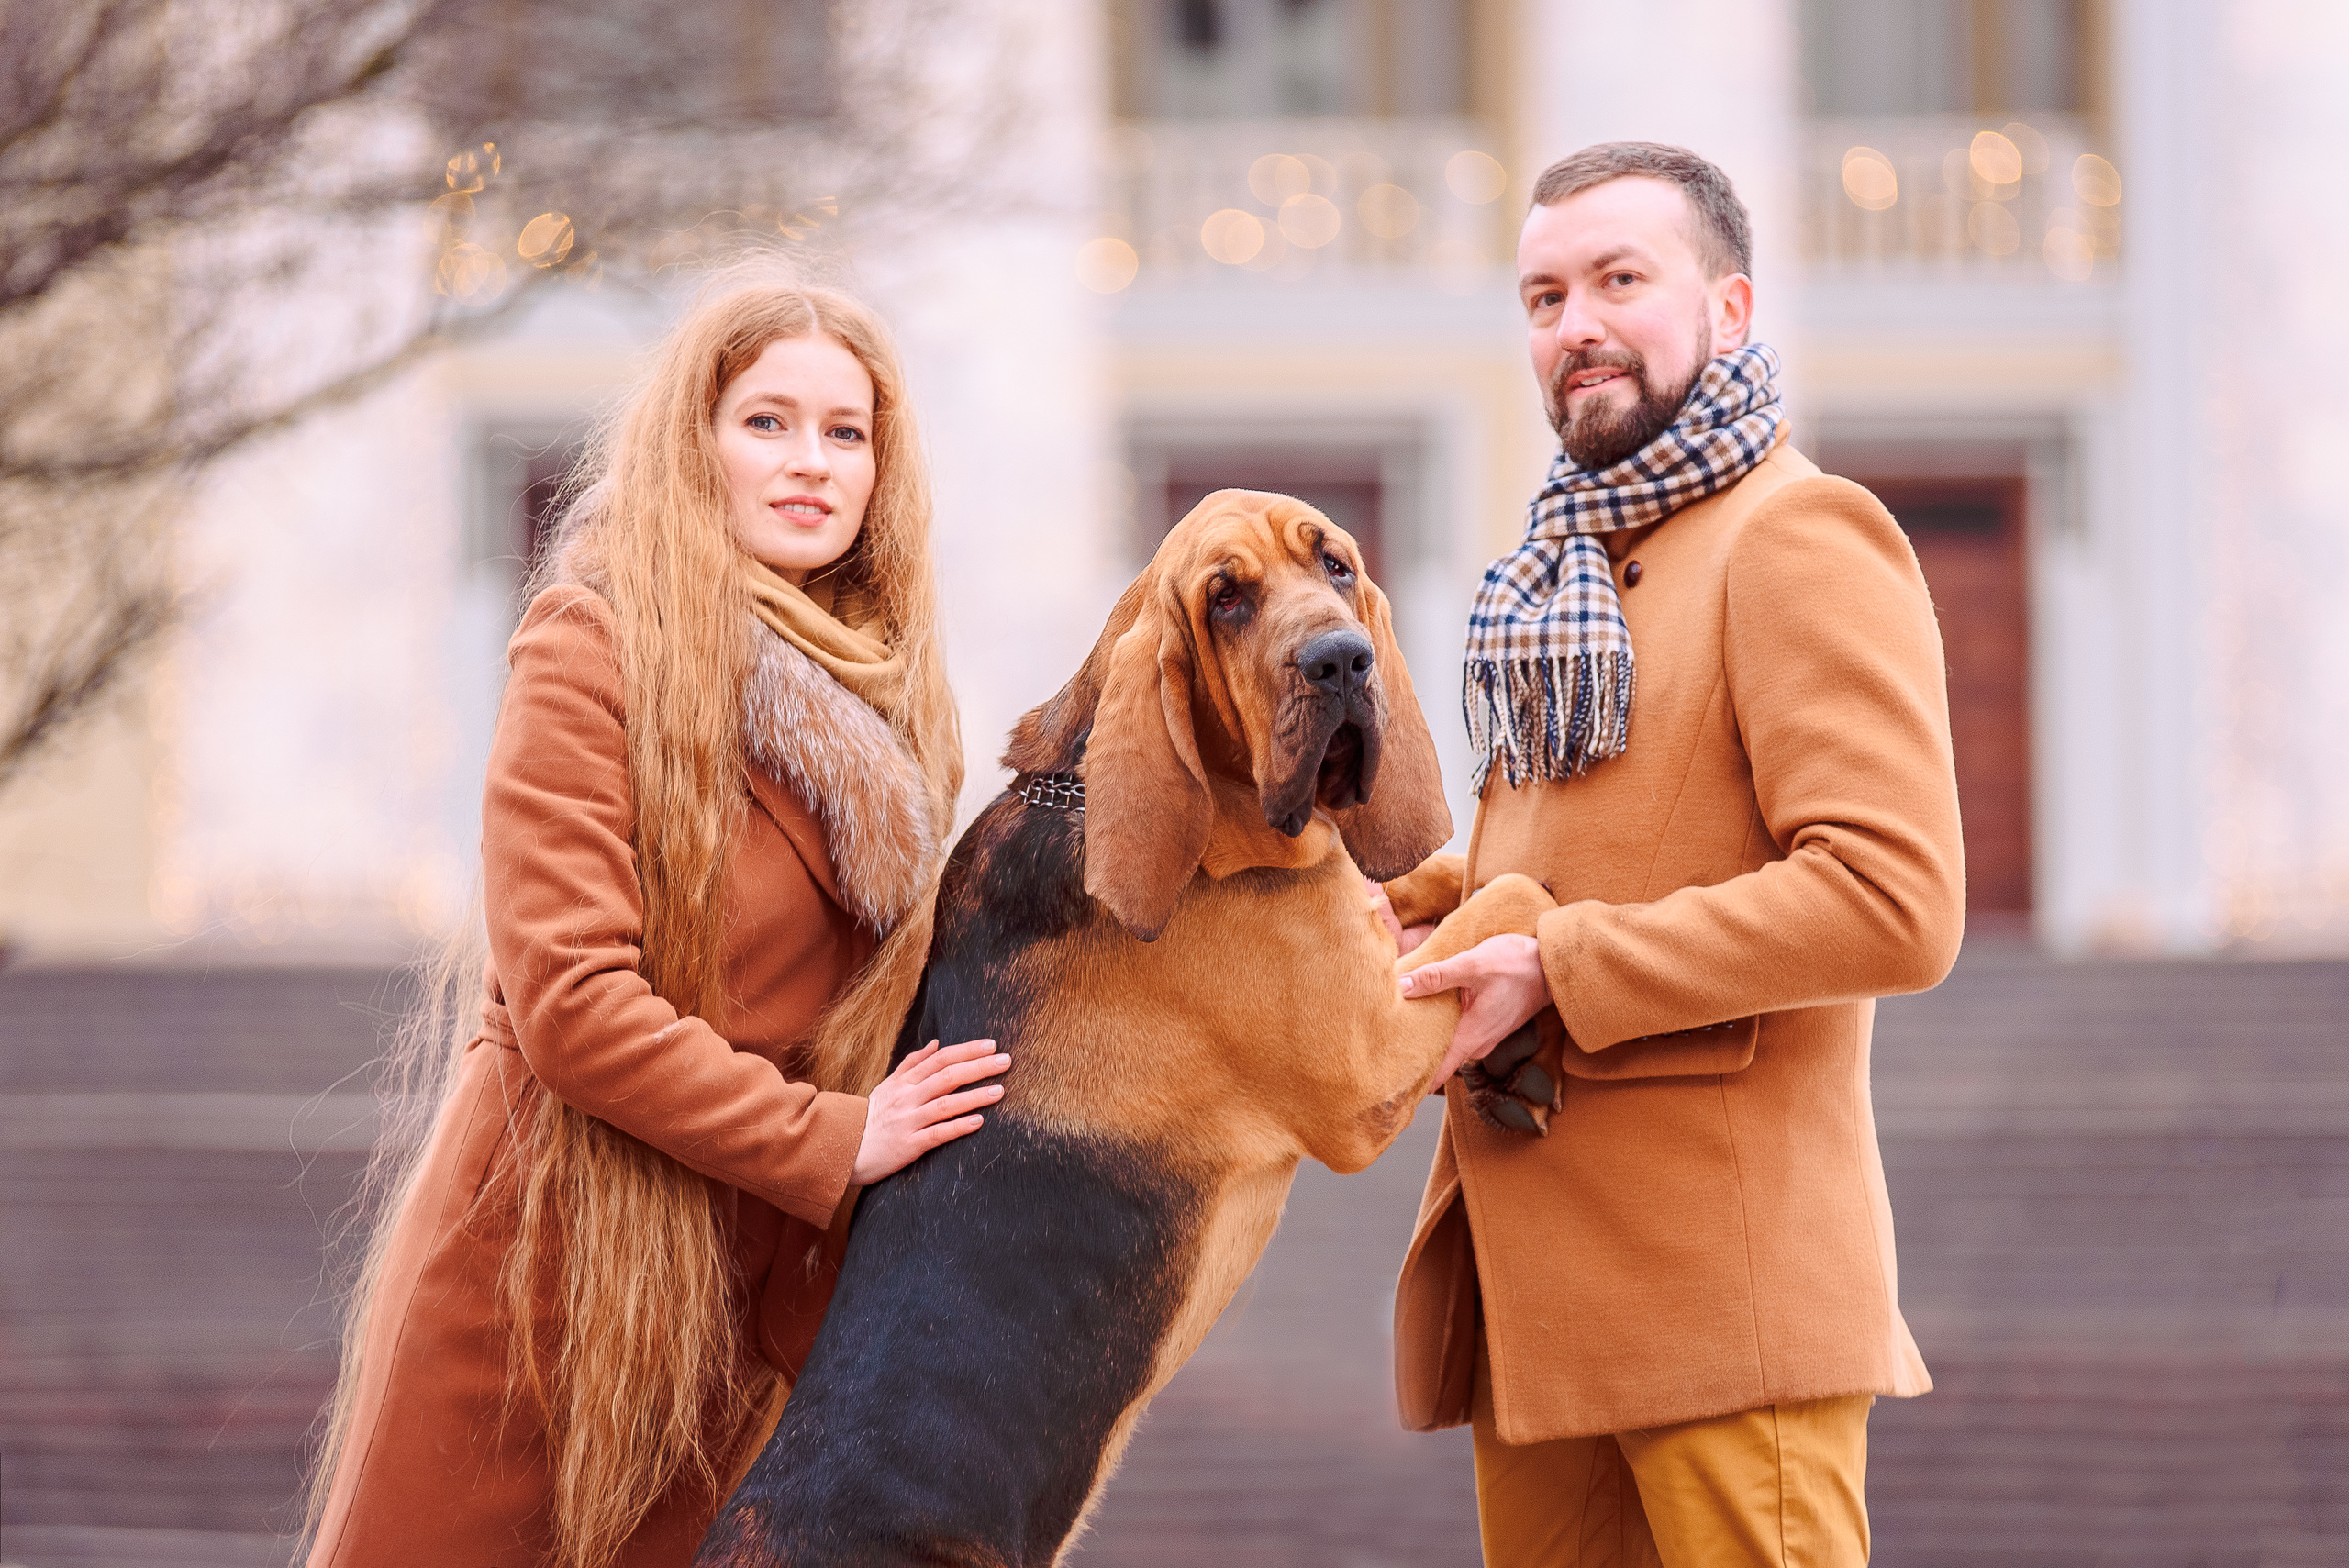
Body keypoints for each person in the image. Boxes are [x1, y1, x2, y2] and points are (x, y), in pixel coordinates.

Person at [305, 273, 1010, 1568]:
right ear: (698, 444)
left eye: (846, 433)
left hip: (740, 1313)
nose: (811, 463)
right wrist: (833, 1136)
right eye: (768, 423)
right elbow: (572, 1006)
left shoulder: (902, 707)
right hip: (549, 1277)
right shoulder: (592, 645)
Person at [1383, 143, 1965, 1566]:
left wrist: (1562, 966)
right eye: (1542, 295)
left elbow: (1894, 898)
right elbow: (1571, 846)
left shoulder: (1797, 535)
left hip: (1723, 1309)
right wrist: (1401, 907)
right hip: (1545, 1314)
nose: (1573, 323)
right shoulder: (1567, 565)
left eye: (1618, 280)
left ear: (1733, 306)